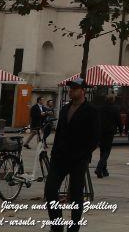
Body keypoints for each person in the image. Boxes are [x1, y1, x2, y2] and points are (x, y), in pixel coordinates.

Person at [44, 77, 99, 232]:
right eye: (70, 89)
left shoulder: (91, 111)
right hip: (60, 157)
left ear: (82, 91)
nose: (71, 91)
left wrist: (84, 155)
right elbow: (59, 133)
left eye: (74, 89)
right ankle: (56, 225)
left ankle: (74, 227)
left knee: (76, 194)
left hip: (78, 159)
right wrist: (54, 152)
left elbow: (95, 137)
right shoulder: (65, 109)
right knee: (50, 190)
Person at [95, 94, 119, 179]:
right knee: (107, 151)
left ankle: (104, 170)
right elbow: (118, 120)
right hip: (110, 132)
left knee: (102, 150)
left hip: (101, 131)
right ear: (113, 100)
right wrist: (120, 130)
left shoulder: (100, 108)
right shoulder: (115, 108)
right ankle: (99, 168)